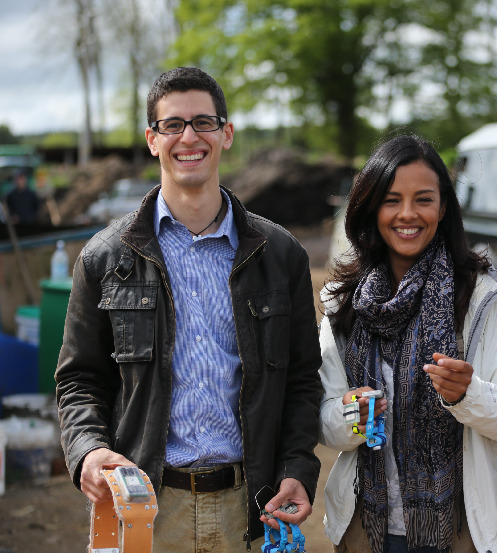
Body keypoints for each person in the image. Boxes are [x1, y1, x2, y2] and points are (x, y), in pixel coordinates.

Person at [55, 67, 323, 552]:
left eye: (203, 122)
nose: (189, 137)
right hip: (146, 509)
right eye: (172, 125)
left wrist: (298, 469)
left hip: (253, 504)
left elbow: (303, 379)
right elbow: (79, 379)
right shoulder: (103, 258)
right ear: (152, 140)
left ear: (227, 133)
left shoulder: (281, 255)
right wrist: (88, 450)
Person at [318, 134, 497, 553]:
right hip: (368, 531)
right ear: (371, 207)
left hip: (464, 531)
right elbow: (324, 425)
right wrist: (355, 412)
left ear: (443, 207)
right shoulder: (343, 303)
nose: (407, 214)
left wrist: (469, 394)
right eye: (392, 200)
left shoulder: (484, 297)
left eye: (423, 199)